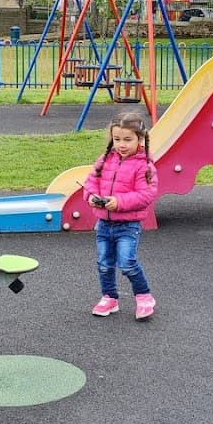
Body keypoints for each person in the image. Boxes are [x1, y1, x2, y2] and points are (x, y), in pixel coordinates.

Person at [83, 111, 160, 319]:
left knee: (127, 263)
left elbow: (146, 195)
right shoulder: (106, 159)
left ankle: (144, 297)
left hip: (128, 225)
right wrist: (90, 196)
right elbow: (91, 181)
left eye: (127, 139)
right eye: (117, 139)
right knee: (104, 263)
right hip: (104, 223)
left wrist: (119, 202)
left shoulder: (144, 166)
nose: (121, 144)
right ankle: (109, 298)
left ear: (140, 139)